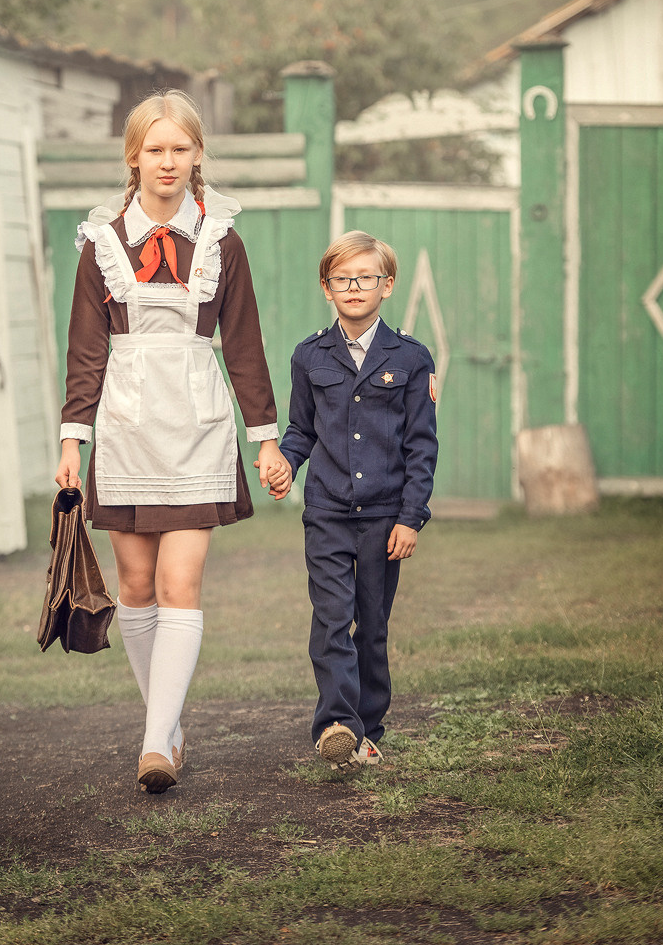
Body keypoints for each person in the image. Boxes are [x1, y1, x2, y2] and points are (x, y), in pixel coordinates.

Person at [55, 89, 291, 794]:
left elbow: (244, 346)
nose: (167, 161)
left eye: (180, 149)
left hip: (198, 427)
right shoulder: (101, 243)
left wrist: (266, 440)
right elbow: (85, 352)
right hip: (124, 430)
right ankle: (170, 725)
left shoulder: (222, 240)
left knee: (178, 581)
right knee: (134, 586)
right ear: (134, 157)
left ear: (197, 157)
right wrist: (74, 439)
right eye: (154, 149)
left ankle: (156, 742)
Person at [274, 230, 438, 771]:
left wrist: (411, 518)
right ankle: (337, 725)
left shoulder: (411, 358)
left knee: (371, 624)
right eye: (342, 279)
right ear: (327, 287)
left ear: (386, 285)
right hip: (326, 511)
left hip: (385, 516)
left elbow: (421, 445)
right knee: (330, 618)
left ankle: (369, 727)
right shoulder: (308, 355)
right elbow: (301, 429)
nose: (353, 287)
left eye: (365, 278)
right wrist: (284, 462)